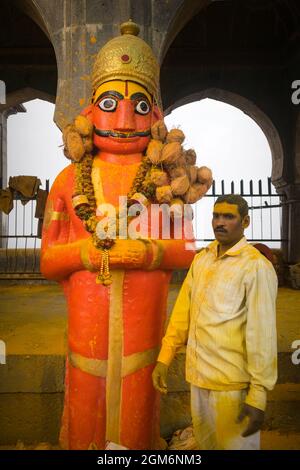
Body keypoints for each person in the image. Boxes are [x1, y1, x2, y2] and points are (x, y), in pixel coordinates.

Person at [40, 20, 206, 450]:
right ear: (89, 110)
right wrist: (85, 254)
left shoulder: (163, 181)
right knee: (86, 403)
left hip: (143, 322)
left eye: (140, 105)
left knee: (137, 401)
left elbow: (187, 252)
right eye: (111, 103)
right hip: (86, 326)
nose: (126, 118)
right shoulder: (66, 181)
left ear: (157, 116)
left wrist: (146, 253)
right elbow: (48, 260)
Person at [152, 194, 278, 450]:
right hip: (198, 380)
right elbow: (182, 313)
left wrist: (258, 395)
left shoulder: (256, 267)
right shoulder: (202, 259)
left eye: (228, 217)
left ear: (245, 222)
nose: (219, 222)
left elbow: (262, 334)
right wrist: (164, 357)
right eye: (216, 215)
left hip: (232, 388)